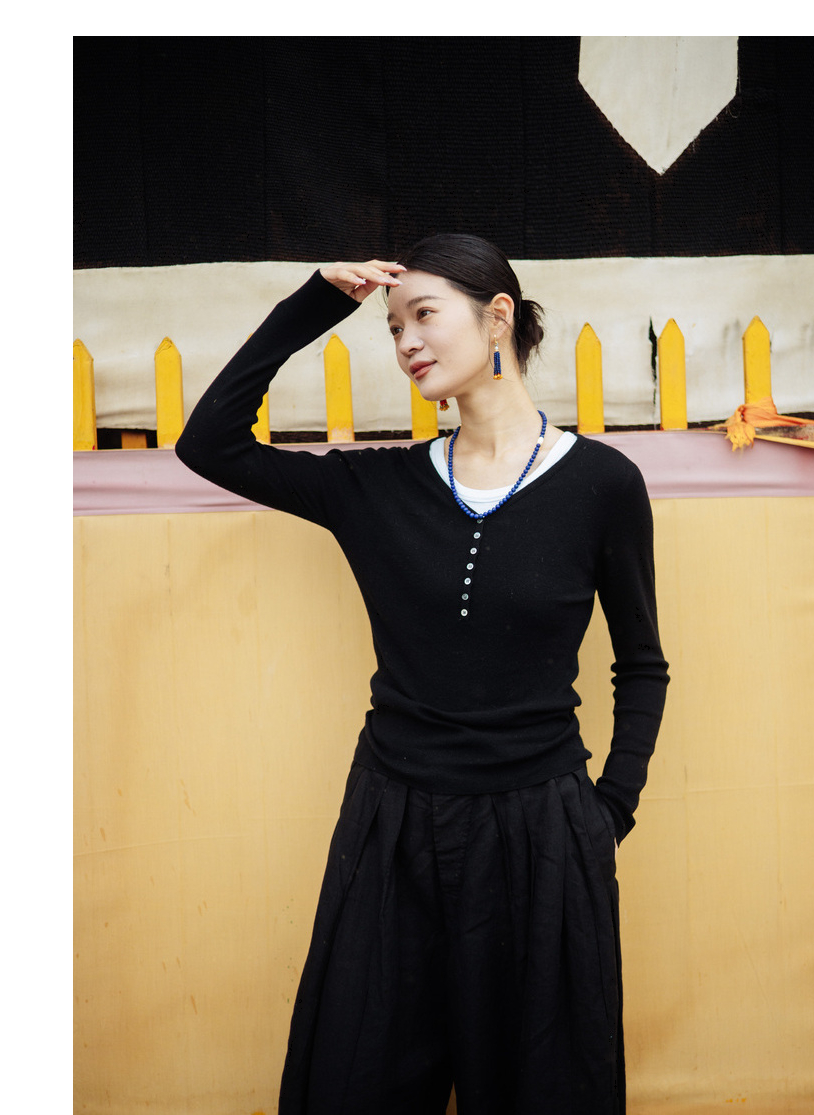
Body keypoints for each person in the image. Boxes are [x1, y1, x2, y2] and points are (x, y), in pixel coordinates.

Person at [175, 233, 669, 1115]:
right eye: (393, 326)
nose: (405, 341)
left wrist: (608, 815)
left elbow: (642, 663)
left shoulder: (603, 484)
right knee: (355, 1078)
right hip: (392, 826)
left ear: (498, 318)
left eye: (423, 315)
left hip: (543, 834)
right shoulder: (375, 489)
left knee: (542, 1087)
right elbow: (209, 443)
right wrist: (314, 304)